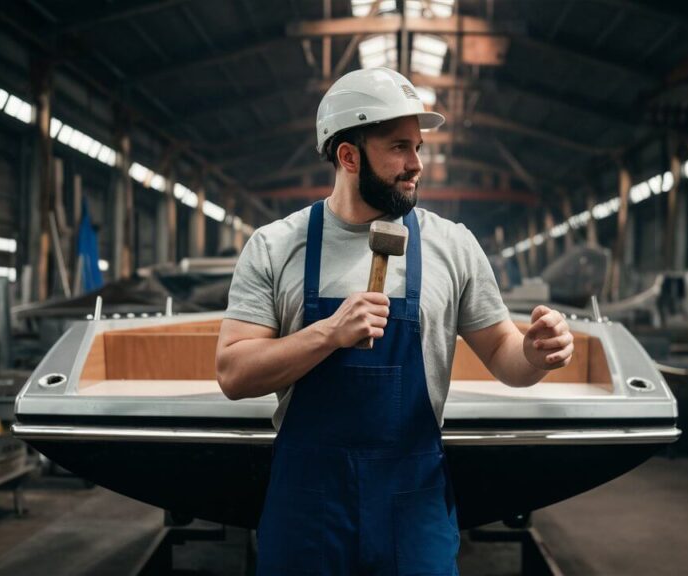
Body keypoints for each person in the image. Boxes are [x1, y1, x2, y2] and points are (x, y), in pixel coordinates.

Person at [216, 67, 574, 575]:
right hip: (308, 509)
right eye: (399, 147)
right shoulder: (276, 245)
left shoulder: (452, 245)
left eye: (419, 147)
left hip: (414, 504)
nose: (417, 165)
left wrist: (535, 355)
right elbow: (233, 374)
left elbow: (503, 355)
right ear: (348, 155)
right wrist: (328, 333)